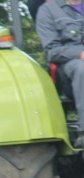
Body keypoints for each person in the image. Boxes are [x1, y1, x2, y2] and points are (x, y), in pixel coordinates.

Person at [36, 0, 84, 144]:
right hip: (68, 68)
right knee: (82, 68)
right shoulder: (48, 10)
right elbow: (52, 51)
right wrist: (80, 53)